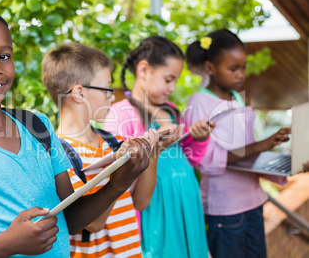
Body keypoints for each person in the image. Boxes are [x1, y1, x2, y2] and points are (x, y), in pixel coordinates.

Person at [0, 6, 152, 258]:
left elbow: (70, 219)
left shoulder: (38, 127)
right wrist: (7, 243)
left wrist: (118, 183)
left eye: (4, 56)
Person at [42, 42, 183, 257]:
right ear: (79, 94)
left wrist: (154, 153)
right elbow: (94, 223)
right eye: (107, 89)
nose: (112, 97)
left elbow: (141, 201)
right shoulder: (58, 155)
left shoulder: (115, 141)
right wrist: (119, 177)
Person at [184, 29, 290, 258]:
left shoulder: (239, 97)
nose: (241, 74)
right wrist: (261, 145)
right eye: (233, 68)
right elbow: (205, 159)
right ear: (210, 68)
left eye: (243, 67)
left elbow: (248, 150)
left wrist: (282, 159)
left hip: (253, 201)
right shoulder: (199, 103)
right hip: (225, 208)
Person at [104, 36, 212, 258]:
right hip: (155, 218)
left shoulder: (171, 110)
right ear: (144, 70)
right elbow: (121, 176)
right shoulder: (121, 114)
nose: (172, 88)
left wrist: (199, 139)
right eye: (169, 79)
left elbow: (188, 159)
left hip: (186, 211)